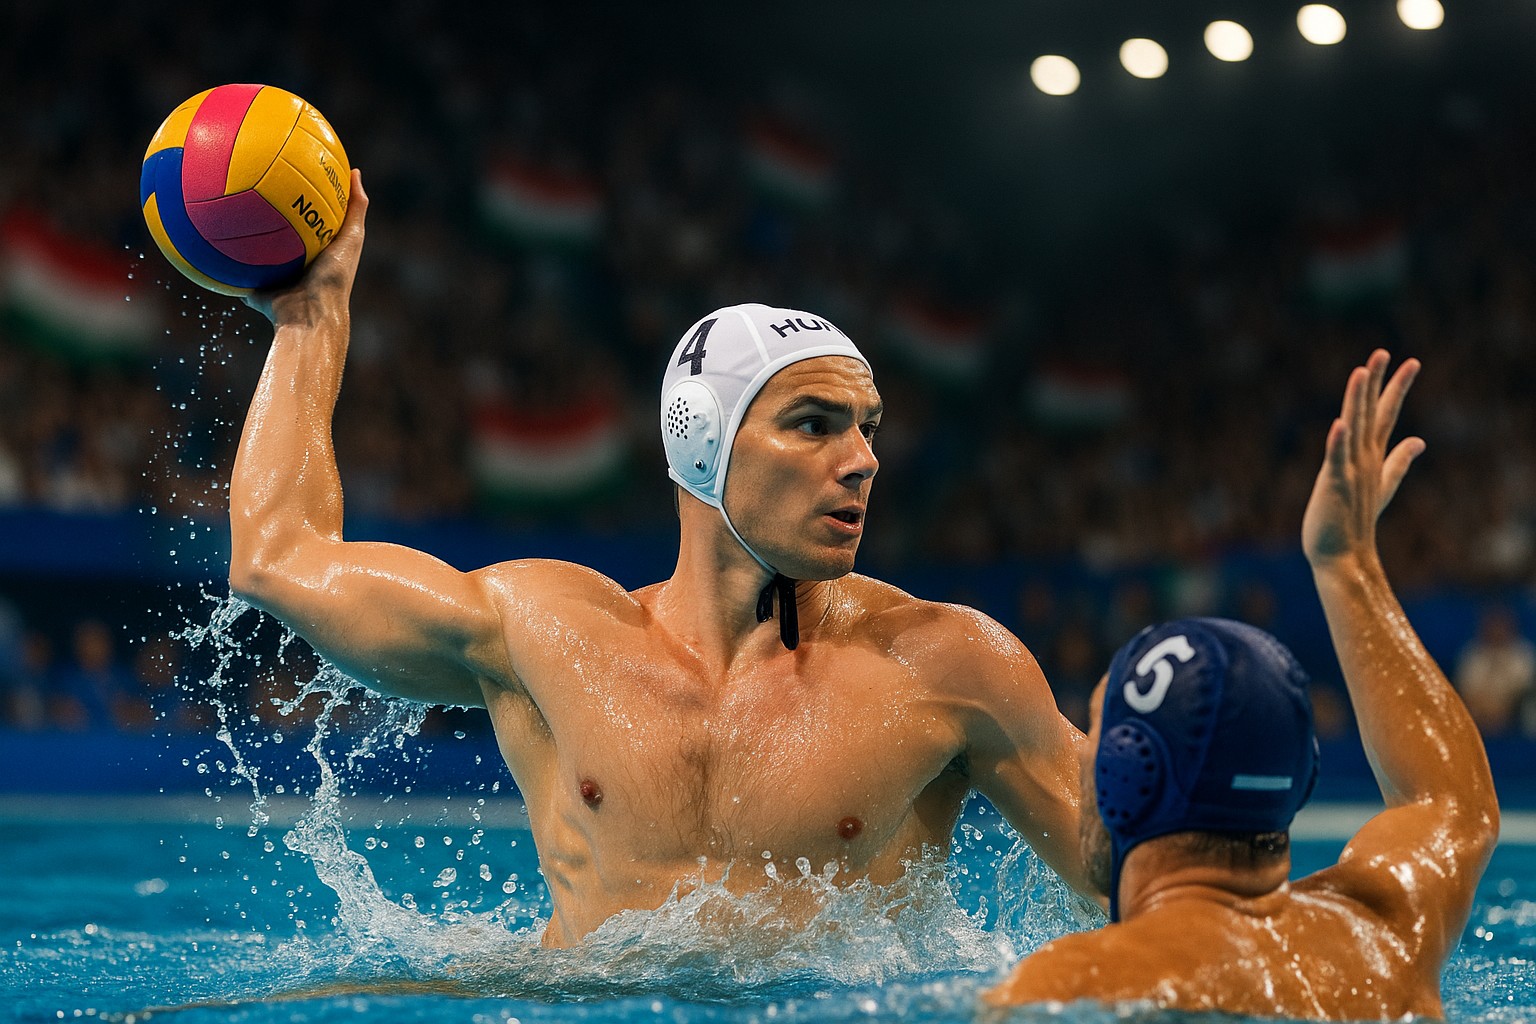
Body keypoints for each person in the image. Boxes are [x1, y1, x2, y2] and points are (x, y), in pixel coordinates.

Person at [228, 170, 1092, 948]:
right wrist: (312, 316)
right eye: (815, 425)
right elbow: (278, 558)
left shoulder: (944, 664)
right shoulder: (549, 635)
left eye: (868, 427)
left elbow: (1130, 880)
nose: (862, 459)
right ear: (700, 439)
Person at [987, 351, 1500, 1020]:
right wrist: (1347, 562)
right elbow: (1454, 805)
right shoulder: (1385, 934)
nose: (1079, 752)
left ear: (1127, 776)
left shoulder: (1075, 982)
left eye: (1095, 730)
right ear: (1300, 774)